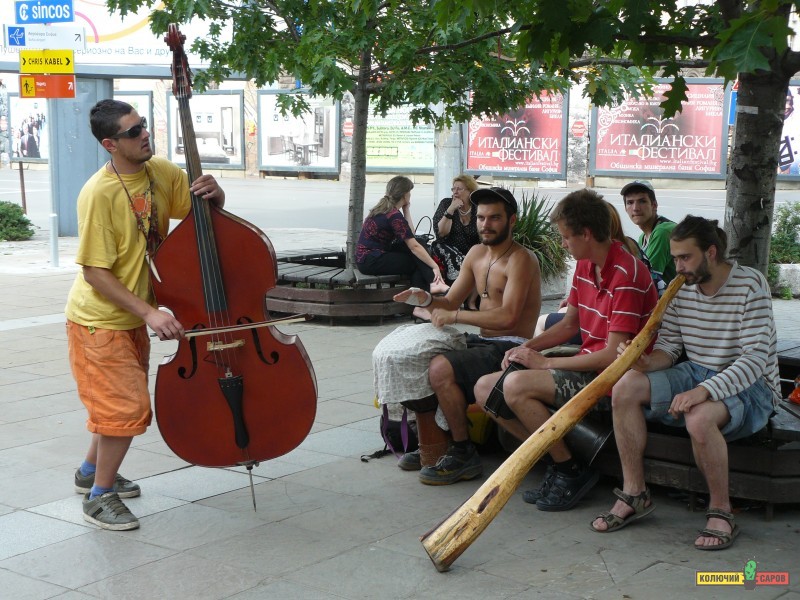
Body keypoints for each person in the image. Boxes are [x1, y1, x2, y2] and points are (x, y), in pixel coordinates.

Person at [66, 99, 225, 531]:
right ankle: (99, 497)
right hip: (99, 319)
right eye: (133, 132)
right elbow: (95, 272)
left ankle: (88, 472)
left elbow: (202, 217)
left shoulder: (160, 172)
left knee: (114, 405)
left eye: (144, 127)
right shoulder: (99, 194)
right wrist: (151, 313)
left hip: (132, 315)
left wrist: (217, 194)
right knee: (127, 408)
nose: (144, 135)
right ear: (109, 144)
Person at [591, 216, 780, 551]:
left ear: (711, 253)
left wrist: (703, 392)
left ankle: (721, 510)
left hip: (753, 385)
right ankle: (635, 493)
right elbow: (670, 348)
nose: (677, 266)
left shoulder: (751, 285)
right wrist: (647, 364)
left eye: (684, 258)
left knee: (699, 416)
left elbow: (753, 360)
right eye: (675, 257)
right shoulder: (682, 287)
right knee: (626, 387)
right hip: (696, 370)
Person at [473, 189, 658, 511]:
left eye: (565, 237)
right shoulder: (586, 265)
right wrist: (525, 347)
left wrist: (543, 364)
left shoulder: (627, 273)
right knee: (485, 388)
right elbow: (570, 325)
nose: (562, 244)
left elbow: (616, 357)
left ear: (586, 234)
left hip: (613, 378)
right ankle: (565, 463)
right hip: (587, 364)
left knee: (514, 386)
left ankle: (567, 469)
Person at [393, 187, 541, 483]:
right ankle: (435, 440)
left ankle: (462, 452)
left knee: (441, 366)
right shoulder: (476, 254)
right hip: (484, 343)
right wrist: (422, 299)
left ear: (511, 220)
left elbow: (507, 317)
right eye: (481, 218)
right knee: (413, 357)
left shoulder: (521, 260)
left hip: (511, 346)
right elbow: (448, 302)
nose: (486, 225)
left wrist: (456, 316)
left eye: (494, 218)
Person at [357, 175, 447, 294]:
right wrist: (434, 266)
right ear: (405, 195)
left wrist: (406, 210)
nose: (410, 195)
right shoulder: (393, 216)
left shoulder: (385, 209)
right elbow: (413, 247)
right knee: (417, 261)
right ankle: (430, 290)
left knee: (419, 245)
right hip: (372, 260)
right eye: (409, 192)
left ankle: (428, 293)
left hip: (369, 257)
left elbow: (411, 235)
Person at [430, 174, 481, 308]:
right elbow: (441, 233)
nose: (455, 192)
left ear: (470, 191)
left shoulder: (477, 208)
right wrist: (451, 209)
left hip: (470, 249)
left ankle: (471, 301)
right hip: (445, 246)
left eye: (460, 189)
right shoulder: (446, 203)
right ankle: (455, 300)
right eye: (453, 189)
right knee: (460, 259)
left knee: (481, 261)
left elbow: (481, 234)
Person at [620, 180, 676, 295]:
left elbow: (646, 280)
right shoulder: (642, 237)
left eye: (642, 201)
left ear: (654, 205)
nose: (635, 208)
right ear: (625, 208)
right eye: (630, 202)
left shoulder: (662, 232)